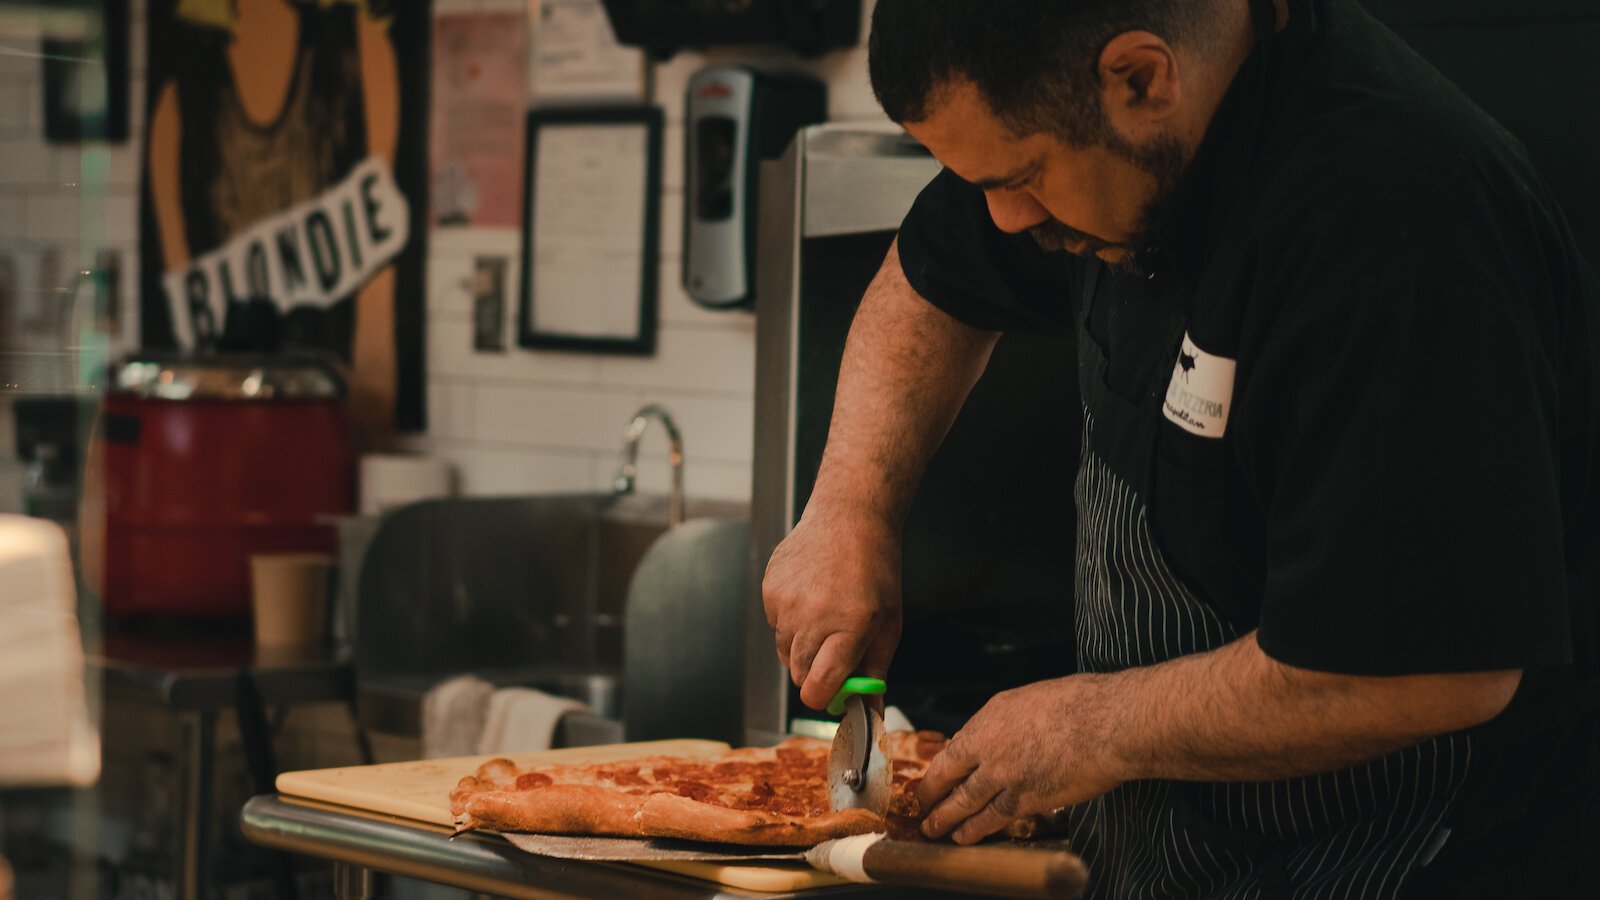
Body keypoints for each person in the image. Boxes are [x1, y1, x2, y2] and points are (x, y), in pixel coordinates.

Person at [761, 0, 1600, 896]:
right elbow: (930, 279)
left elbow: (1435, 673)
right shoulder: (1091, 137)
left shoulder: (1398, 220)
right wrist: (850, 507)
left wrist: (1091, 728)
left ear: (1140, 78)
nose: (1005, 220)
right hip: (1178, 862)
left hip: (1408, 859)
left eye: (1025, 177)